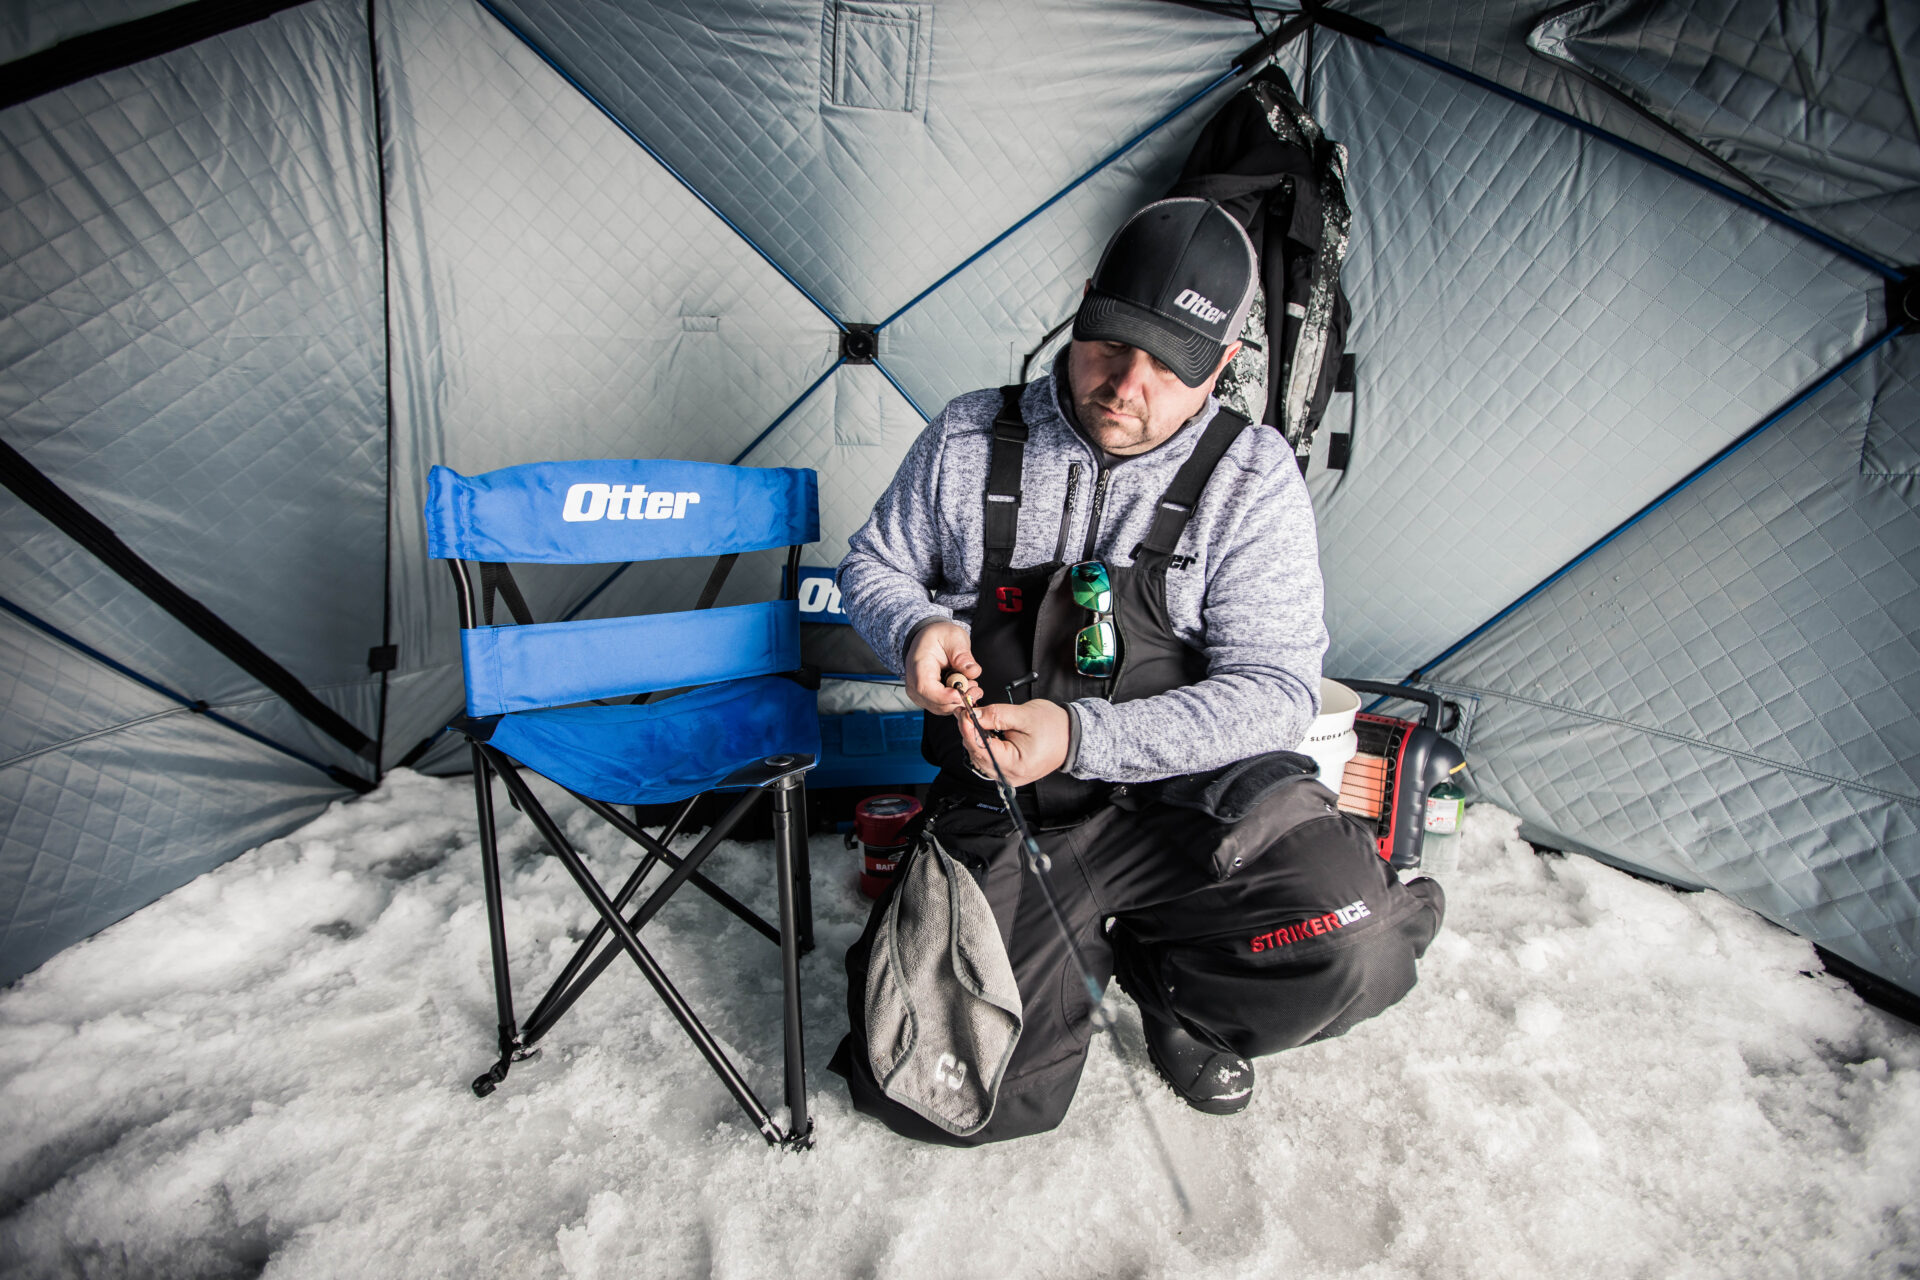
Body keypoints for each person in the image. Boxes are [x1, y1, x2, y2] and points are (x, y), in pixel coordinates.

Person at [828, 198, 1444, 1144]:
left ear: (1224, 364)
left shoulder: (1252, 477)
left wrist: (1083, 734)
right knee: (942, 1099)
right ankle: (1069, 936)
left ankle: (1176, 995)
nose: (1127, 386)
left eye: (1171, 367)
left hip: (1197, 805)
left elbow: (1279, 689)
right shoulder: (965, 439)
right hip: (1018, 810)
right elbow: (873, 565)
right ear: (1083, 307)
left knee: (1353, 943)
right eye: (1112, 344)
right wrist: (912, 628)